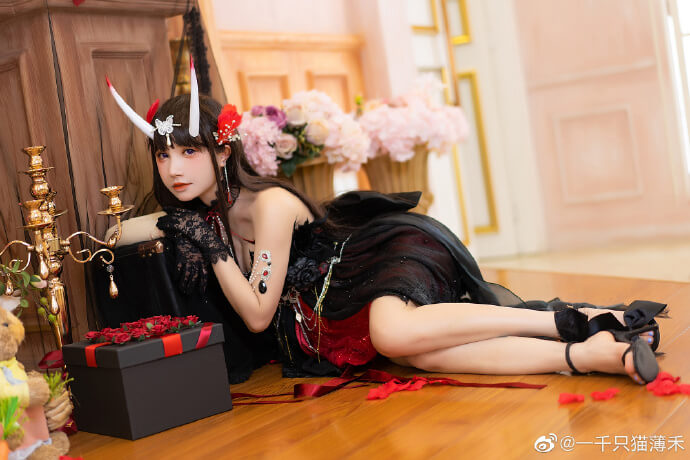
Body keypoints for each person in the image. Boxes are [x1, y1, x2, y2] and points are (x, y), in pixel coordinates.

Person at [108, 74, 666, 386]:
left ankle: (579, 320)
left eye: (189, 151)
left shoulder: (268, 205)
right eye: (163, 154)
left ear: (223, 151)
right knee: (420, 355)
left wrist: (211, 248)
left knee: (395, 336)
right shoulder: (203, 219)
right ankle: (593, 355)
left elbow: (256, 314)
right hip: (332, 318)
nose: (174, 168)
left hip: (376, 260)